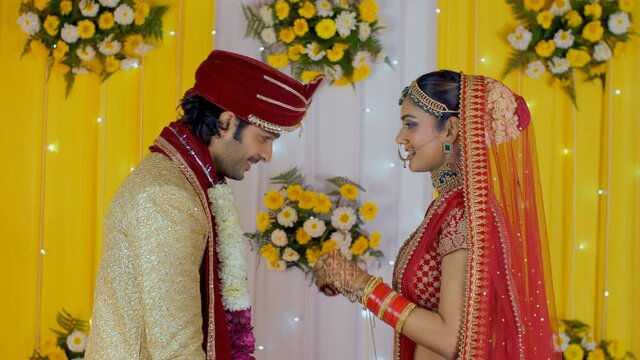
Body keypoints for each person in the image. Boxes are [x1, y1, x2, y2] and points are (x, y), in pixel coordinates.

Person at [85, 50, 322, 360]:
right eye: (264, 138)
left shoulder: (183, 180)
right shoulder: (167, 196)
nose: (267, 155)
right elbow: (176, 349)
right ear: (225, 122)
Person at [313, 70, 560, 359]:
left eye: (411, 125)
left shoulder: (464, 214)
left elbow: (449, 339)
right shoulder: (448, 207)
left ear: (451, 131)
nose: (400, 137)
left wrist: (358, 282)